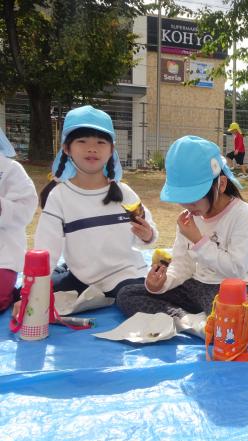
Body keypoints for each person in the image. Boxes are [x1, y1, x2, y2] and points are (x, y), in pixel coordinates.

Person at [116, 136, 248, 330]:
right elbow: (183, 265)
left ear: (221, 184)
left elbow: (236, 270)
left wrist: (198, 240)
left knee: (227, 317)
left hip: (239, 287)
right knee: (127, 294)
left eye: (194, 199)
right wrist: (160, 283)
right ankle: (185, 319)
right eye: (182, 200)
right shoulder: (188, 217)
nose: (188, 207)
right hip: (199, 286)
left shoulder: (242, 214)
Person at [34, 105, 157, 298]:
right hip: (82, 279)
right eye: (82, 141)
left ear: (111, 150)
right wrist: (34, 294)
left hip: (124, 275)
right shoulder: (59, 197)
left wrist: (147, 234)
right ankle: (65, 270)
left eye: (101, 142)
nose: (92, 148)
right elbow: (45, 250)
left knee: (132, 297)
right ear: (67, 148)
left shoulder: (124, 193)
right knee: (25, 293)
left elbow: (148, 236)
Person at [0, 127, 38, 311]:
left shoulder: (9, 170)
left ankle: (8, 293)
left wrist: (2, 207)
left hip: (3, 255)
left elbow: (26, 209)